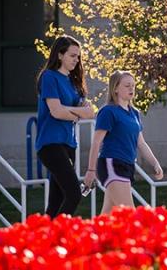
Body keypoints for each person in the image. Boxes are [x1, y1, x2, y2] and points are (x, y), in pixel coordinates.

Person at [83, 70, 163, 214]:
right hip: (112, 165)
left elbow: (141, 143)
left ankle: (90, 236)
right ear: (115, 88)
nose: (131, 88)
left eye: (133, 85)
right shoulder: (108, 111)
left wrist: (155, 163)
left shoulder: (135, 113)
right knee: (130, 216)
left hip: (128, 166)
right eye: (127, 85)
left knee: (106, 219)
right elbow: (96, 143)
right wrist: (91, 170)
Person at [36, 35, 95, 218]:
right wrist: (77, 113)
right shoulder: (49, 77)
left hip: (69, 145)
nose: (76, 60)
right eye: (72, 55)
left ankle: (42, 241)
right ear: (60, 55)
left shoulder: (74, 81)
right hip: (50, 144)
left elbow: (86, 111)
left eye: (78, 57)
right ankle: (57, 236)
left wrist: (75, 112)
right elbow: (56, 111)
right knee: (74, 194)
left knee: (55, 203)